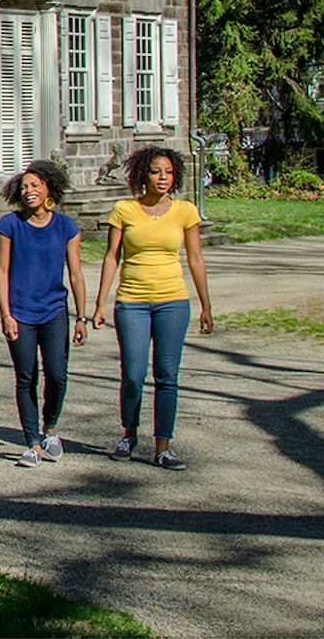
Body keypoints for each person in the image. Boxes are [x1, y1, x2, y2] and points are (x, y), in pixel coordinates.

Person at [91, 145, 214, 470]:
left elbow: (196, 258)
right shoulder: (124, 210)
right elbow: (111, 257)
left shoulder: (185, 211)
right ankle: (129, 434)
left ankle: (163, 446)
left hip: (172, 301)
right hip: (131, 302)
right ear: (143, 173)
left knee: (167, 376)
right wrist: (100, 303)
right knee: (133, 374)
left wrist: (205, 305)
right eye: (157, 171)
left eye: (169, 172)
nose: (163, 177)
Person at [0, 159, 87, 467]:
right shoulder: (9, 225)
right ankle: (32, 442)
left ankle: (51, 428)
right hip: (20, 313)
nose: (29, 190)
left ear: (49, 187)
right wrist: (6, 314)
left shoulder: (65, 226)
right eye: (24, 187)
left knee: (57, 375)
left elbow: (75, 274)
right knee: (26, 377)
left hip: (54, 312)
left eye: (34, 185)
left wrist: (82, 317)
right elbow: (1, 271)